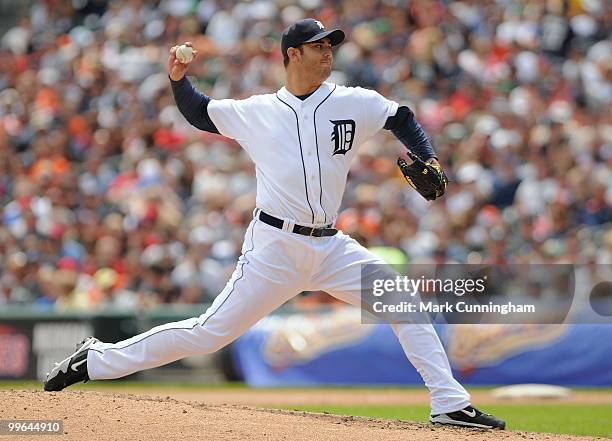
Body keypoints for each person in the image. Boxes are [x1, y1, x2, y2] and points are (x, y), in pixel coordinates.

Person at [44, 18, 505, 430]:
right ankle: (98, 358)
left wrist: (427, 157)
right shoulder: (258, 111)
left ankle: (449, 403)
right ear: (293, 54)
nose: (328, 53)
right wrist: (177, 79)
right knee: (208, 334)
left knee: (402, 300)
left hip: (330, 247)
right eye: (319, 46)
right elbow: (199, 112)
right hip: (274, 247)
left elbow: (400, 117)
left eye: (331, 46)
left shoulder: (352, 102)